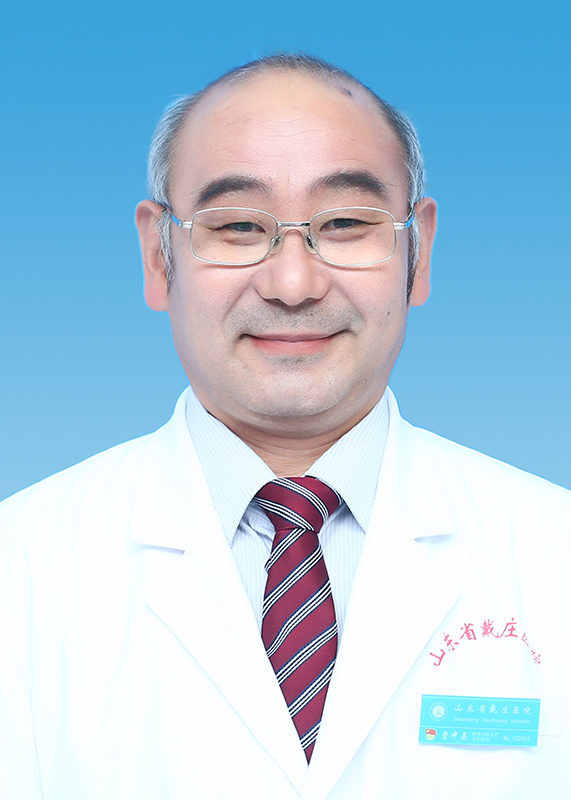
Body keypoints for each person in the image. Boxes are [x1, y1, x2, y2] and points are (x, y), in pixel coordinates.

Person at [0, 54, 569, 800]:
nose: (293, 284)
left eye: (346, 224)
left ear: (419, 252)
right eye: (238, 226)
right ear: (157, 256)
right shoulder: (20, 570)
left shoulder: (554, 554)